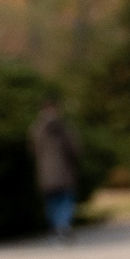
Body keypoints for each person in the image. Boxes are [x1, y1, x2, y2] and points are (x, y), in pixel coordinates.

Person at [29, 97, 83, 241]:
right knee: (65, 199)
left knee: (52, 201)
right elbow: (75, 149)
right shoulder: (64, 128)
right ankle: (63, 226)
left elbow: (34, 150)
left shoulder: (37, 129)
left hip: (46, 173)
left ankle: (56, 227)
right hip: (64, 171)